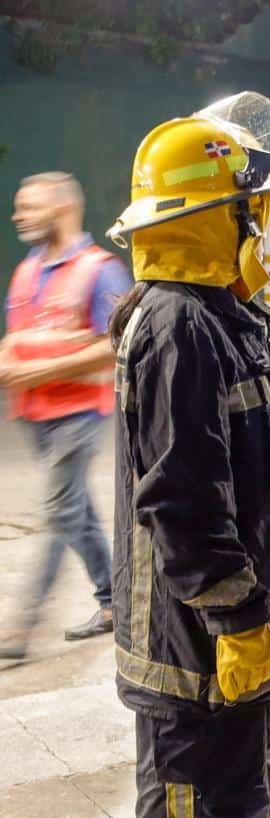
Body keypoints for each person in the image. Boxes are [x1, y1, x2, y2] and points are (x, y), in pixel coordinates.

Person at [105, 92, 270, 818]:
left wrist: (269, 627)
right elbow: (181, 503)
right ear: (208, 218)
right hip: (198, 666)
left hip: (239, 656)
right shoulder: (178, 328)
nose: (257, 224)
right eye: (246, 210)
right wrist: (238, 621)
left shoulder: (221, 317)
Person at [0, 172, 130, 659]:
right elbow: (17, 335)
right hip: (35, 414)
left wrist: (42, 368)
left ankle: (19, 628)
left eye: (29, 206)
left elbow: (116, 345)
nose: (19, 216)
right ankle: (115, 601)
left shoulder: (101, 271)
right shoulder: (28, 271)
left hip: (77, 414)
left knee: (57, 514)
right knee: (74, 512)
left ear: (62, 209)